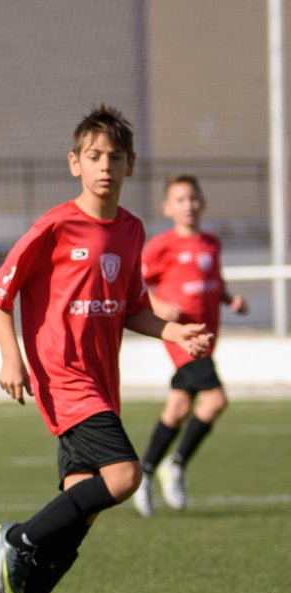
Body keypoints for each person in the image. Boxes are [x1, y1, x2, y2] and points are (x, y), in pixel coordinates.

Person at [0, 105, 213, 593]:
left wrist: (173, 331)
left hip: (101, 383)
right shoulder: (56, 225)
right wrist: (10, 358)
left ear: (130, 164)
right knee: (126, 475)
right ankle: (15, 539)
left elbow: (132, 307)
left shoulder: (131, 230)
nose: (104, 165)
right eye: (93, 156)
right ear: (74, 164)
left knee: (79, 512)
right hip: (63, 377)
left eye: (114, 156)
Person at [132, 175, 249, 517]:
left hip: (208, 337)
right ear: (168, 208)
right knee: (215, 400)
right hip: (183, 337)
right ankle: (177, 464)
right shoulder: (161, 245)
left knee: (178, 408)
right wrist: (156, 305)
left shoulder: (211, 243)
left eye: (193, 199)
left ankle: (147, 472)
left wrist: (231, 300)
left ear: (203, 203)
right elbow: (134, 284)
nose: (188, 205)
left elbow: (215, 281)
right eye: (180, 200)